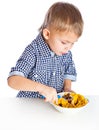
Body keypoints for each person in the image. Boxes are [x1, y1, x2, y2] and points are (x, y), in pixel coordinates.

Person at [7, 2, 84, 103]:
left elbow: (67, 71)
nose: (68, 48)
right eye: (64, 42)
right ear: (47, 34)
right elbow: (12, 80)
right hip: (28, 106)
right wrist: (42, 88)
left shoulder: (65, 52)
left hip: (52, 107)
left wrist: (67, 88)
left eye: (72, 43)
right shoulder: (33, 51)